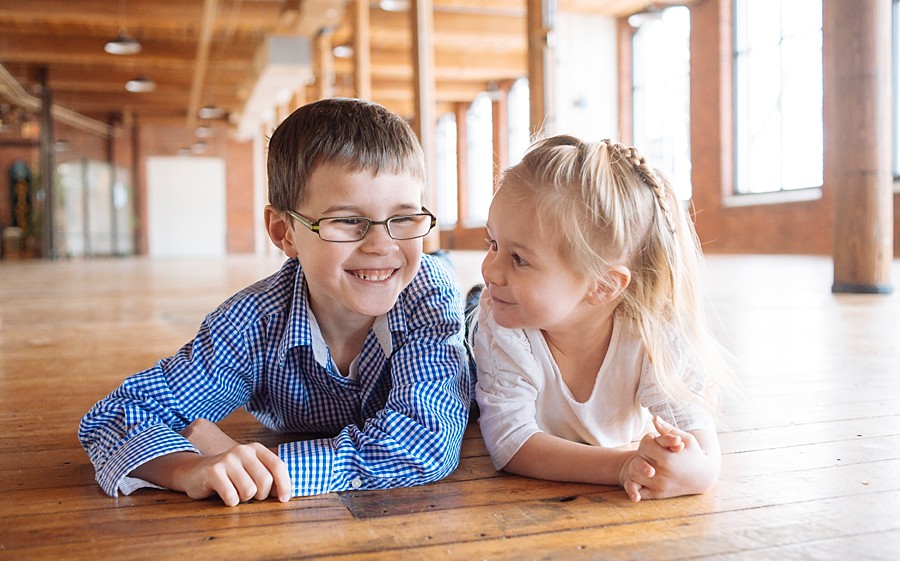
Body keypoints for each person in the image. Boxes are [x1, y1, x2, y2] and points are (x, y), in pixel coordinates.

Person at [79, 98, 472, 506]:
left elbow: (425, 446)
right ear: (284, 232)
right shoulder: (251, 322)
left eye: (404, 218)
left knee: (484, 319)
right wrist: (186, 467)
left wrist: (260, 465)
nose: (381, 244)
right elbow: (115, 416)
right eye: (347, 220)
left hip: (470, 333)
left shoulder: (427, 291)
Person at [473, 135, 740, 502]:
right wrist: (621, 466)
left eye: (519, 259)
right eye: (492, 244)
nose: (491, 269)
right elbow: (511, 443)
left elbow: (702, 448)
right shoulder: (502, 324)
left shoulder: (654, 333)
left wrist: (692, 469)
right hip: (492, 320)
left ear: (602, 286)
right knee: (476, 305)